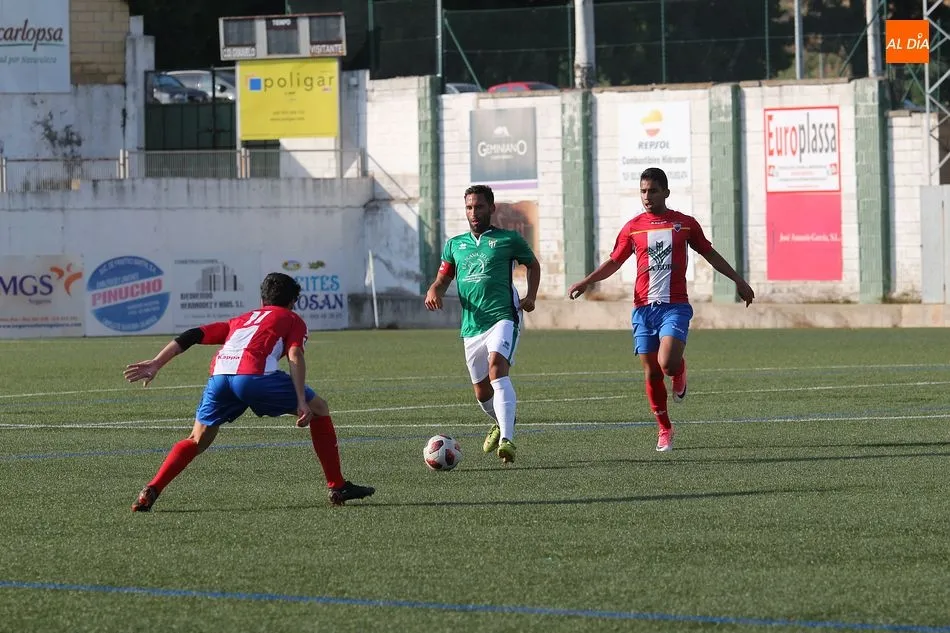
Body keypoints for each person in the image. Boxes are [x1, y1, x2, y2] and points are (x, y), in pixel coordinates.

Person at [124, 272, 375, 511]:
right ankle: (337, 486)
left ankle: (152, 489)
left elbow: (193, 335)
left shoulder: (241, 320)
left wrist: (156, 363)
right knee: (319, 408)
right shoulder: (292, 319)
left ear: (262, 300)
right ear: (292, 302)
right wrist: (301, 400)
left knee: (197, 440)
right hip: (254, 377)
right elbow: (295, 354)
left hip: (220, 378)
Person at [567, 167, 754, 452]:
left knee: (666, 363)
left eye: (653, 191)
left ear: (666, 192)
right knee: (652, 373)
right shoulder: (633, 228)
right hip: (643, 309)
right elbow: (615, 262)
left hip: (674, 306)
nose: (647, 196)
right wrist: (586, 281)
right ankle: (665, 428)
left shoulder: (685, 224)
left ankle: (679, 370)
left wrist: (738, 280)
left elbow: (710, 253)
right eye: (643, 191)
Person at [424, 184, 541, 464]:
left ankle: (507, 440)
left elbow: (532, 264)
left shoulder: (508, 239)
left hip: (503, 315)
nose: (473, 212)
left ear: (491, 208)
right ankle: (501, 421)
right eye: (469, 207)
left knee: (496, 368)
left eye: (479, 206)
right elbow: (443, 279)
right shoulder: (455, 245)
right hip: (471, 325)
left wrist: (531, 296)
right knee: (481, 391)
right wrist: (434, 290)